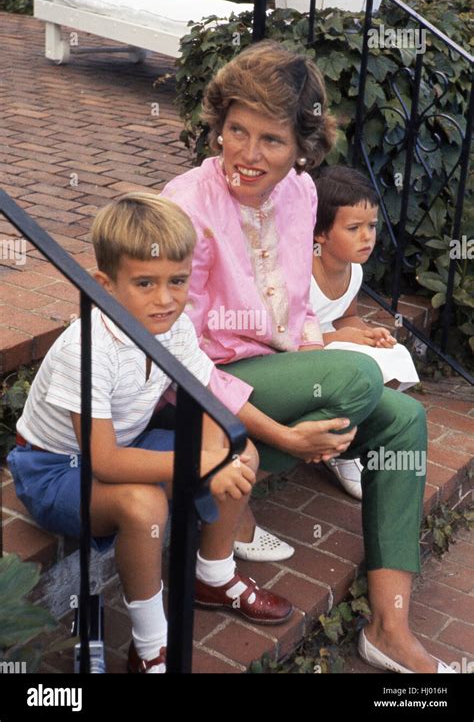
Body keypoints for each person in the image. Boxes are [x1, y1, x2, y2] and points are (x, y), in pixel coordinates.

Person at [160, 40, 455, 673]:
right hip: (197, 391)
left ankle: (388, 625)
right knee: (352, 377)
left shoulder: (298, 195)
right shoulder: (186, 204)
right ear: (219, 124)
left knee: (404, 420)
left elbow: (296, 313)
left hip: (276, 372)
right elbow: (173, 354)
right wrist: (284, 435)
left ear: (302, 148)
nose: (245, 153)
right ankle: (217, 493)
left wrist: (324, 361)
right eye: (236, 130)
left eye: (270, 139)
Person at [7, 193, 293, 674]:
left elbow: (205, 398)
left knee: (240, 454)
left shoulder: (175, 328)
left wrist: (220, 453)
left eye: (177, 281)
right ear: (103, 285)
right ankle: (152, 644)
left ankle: (214, 575)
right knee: (146, 506)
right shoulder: (89, 348)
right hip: (55, 468)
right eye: (145, 283)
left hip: (129, 444)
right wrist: (203, 464)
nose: (165, 299)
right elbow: (105, 463)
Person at [310, 165, 420, 488]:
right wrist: (340, 336)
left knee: (394, 356)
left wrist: (369, 333)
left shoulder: (353, 272)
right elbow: (285, 337)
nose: (367, 237)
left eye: (371, 226)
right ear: (320, 233)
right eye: (354, 227)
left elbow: (347, 317)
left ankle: (357, 433)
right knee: (358, 366)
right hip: (303, 350)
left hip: (332, 341)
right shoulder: (304, 272)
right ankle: (341, 449)